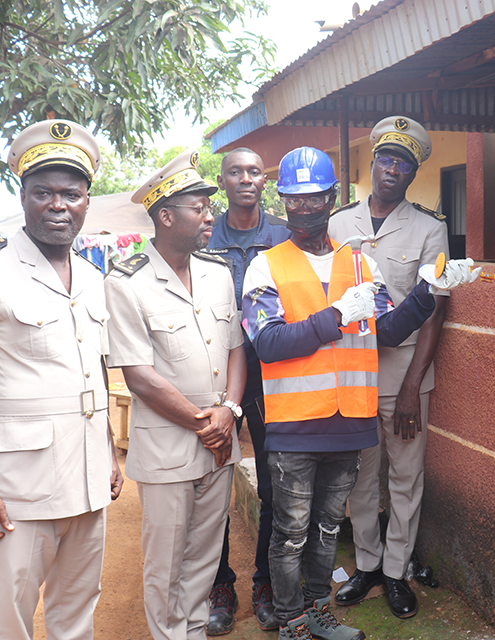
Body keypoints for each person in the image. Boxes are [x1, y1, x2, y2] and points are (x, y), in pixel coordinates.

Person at [242, 147, 479, 640]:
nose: (304, 209)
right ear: (284, 202)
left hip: (348, 422)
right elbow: (266, 343)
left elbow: (388, 332)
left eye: (314, 198)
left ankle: (316, 612)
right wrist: (336, 317)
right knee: (289, 535)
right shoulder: (265, 267)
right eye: (294, 199)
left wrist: (427, 290)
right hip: (295, 424)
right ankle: (291, 623)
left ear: (332, 197)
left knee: (329, 529)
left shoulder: (360, 266)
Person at [0, 119, 122, 640]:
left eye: (72, 193)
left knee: (77, 613)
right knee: (9, 620)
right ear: (23, 197)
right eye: (43, 192)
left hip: (86, 479)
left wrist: (109, 449)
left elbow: (94, 369)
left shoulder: (92, 278)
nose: (59, 205)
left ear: (87, 201)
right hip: (17, 487)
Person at [104, 150, 247, 640]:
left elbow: (236, 351)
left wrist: (228, 411)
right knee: (165, 562)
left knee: (205, 558)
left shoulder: (218, 273)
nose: (210, 215)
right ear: (166, 216)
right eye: (198, 207)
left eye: (208, 206)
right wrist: (206, 423)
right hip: (171, 446)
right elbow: (138, 375)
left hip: (219, 440)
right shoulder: (126, 282)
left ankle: (192, 632)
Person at [329, 116, 447, 619]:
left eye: (403, 162)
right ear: (372, 162)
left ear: (413, 172)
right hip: (352, 375)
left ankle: (397, 571)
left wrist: (411, 386)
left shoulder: (429, 227)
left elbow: (435, 311)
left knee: (405, 476)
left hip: (404, 377)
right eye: (385, 158)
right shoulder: (338, 224)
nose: (392, 168)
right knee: (360, 476)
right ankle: (368, 564)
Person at [204, 147, 290, 634]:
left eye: (254, 171)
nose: (245, 179)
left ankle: (265, 582)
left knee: (275, 479)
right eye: (235, 171)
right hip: (215, 374)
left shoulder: (282, 234)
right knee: (214, 473)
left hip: (271, 372)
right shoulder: (203, 232)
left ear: (265, 180)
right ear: (221, 181)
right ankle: (220, 585)